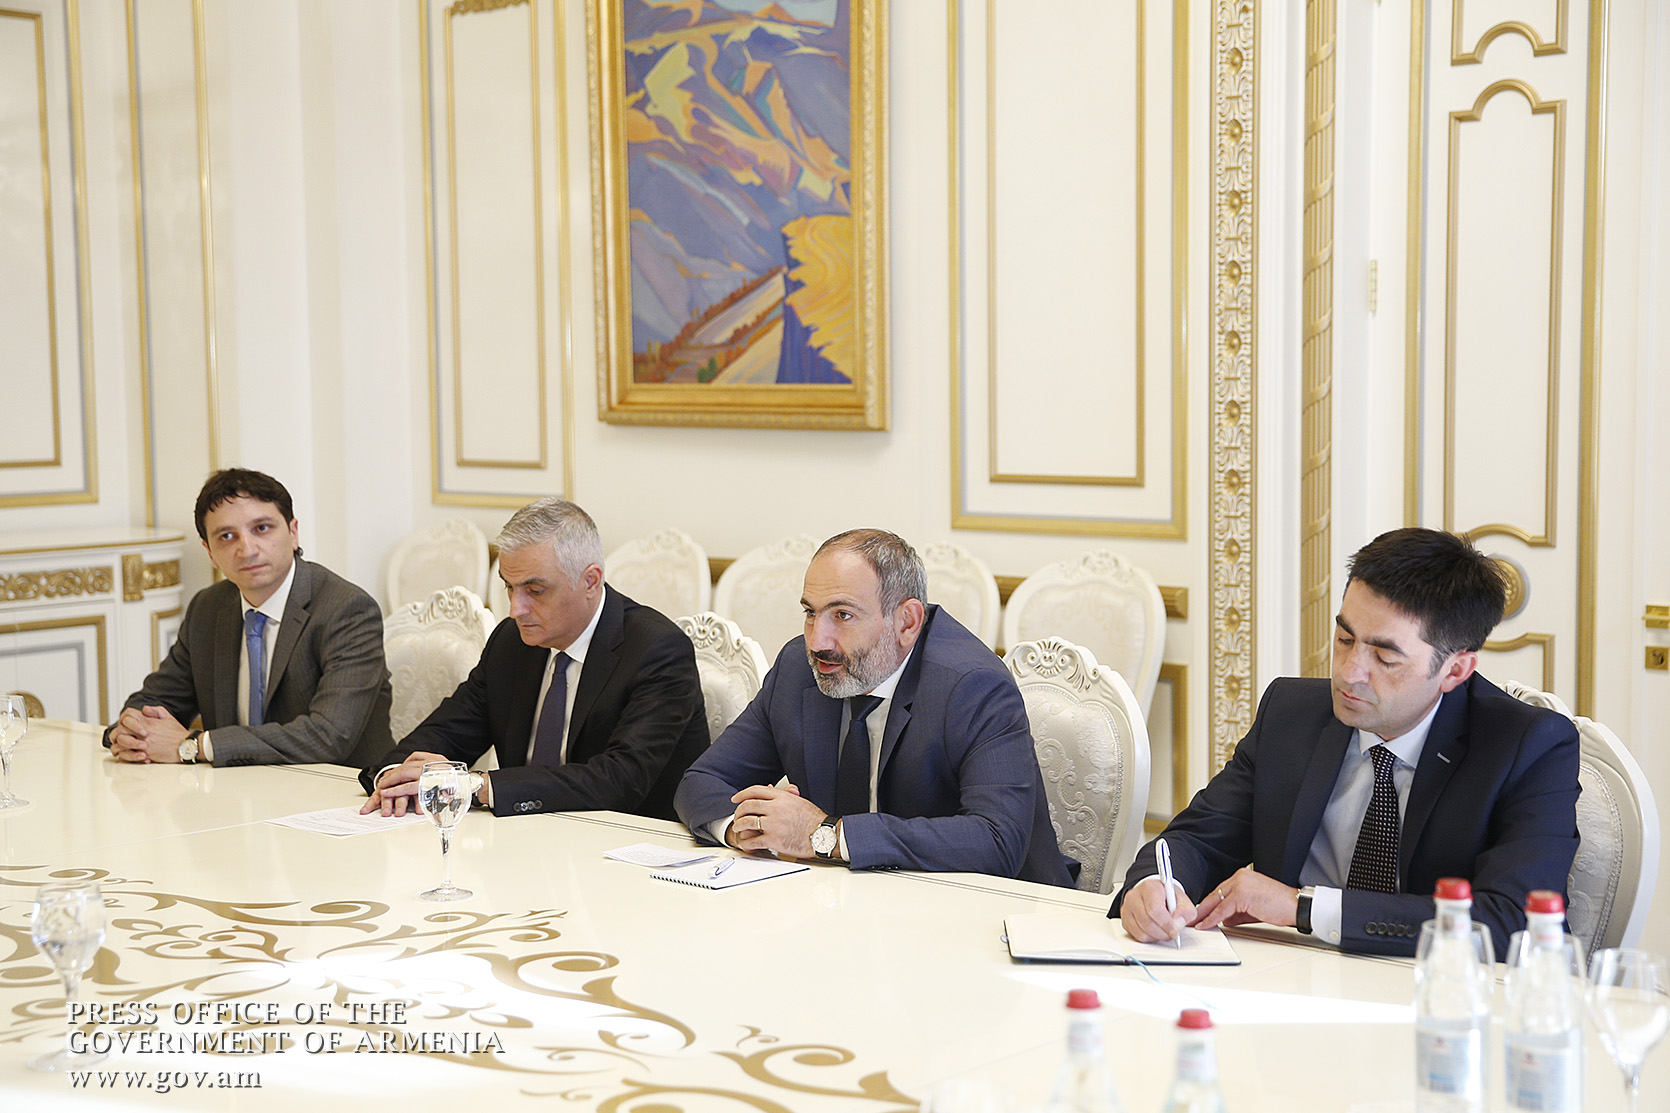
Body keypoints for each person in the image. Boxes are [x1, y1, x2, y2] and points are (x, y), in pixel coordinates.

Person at [1112, 527, 1580, 956]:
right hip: (1284, 982)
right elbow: (1197, 839)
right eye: (1344, 638)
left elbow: (1512, 921)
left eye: (1385, 657)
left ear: (1455, 670)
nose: (1350, 673)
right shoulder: (1291, 714)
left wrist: (1304, 908)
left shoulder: (1528, 746)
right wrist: (1156, 886)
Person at [675, 528, 1075, 886]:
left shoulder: (972, 686)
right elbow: (702, 781)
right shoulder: (799, 669)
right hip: (843, 901)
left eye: (843, 615)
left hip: (986, 909)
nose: (817, 641)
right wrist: (741, 827)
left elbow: (996, 841)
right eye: (811, 613)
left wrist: (828, 836)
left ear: (907, 622)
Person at [359, 497, 707, 821]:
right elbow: (443, 733)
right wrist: (395, 777)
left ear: (590, 581)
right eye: (509, 587)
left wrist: (477, 786)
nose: (515, 608)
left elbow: (619, 780)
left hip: (625, 845)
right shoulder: (512, 642)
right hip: (520, 839)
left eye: (535, 591)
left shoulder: (656, 650)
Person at [105, 468, 393, 767]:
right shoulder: (208, 608)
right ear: (210, 552)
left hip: (338, 788)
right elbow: (154, 702)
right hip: (233, 787)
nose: (246, 549)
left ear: (293, 533)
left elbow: (327, 737)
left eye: (262, 528)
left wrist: (195, 746)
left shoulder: (347, 609)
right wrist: (132, 733)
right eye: (227, 536)